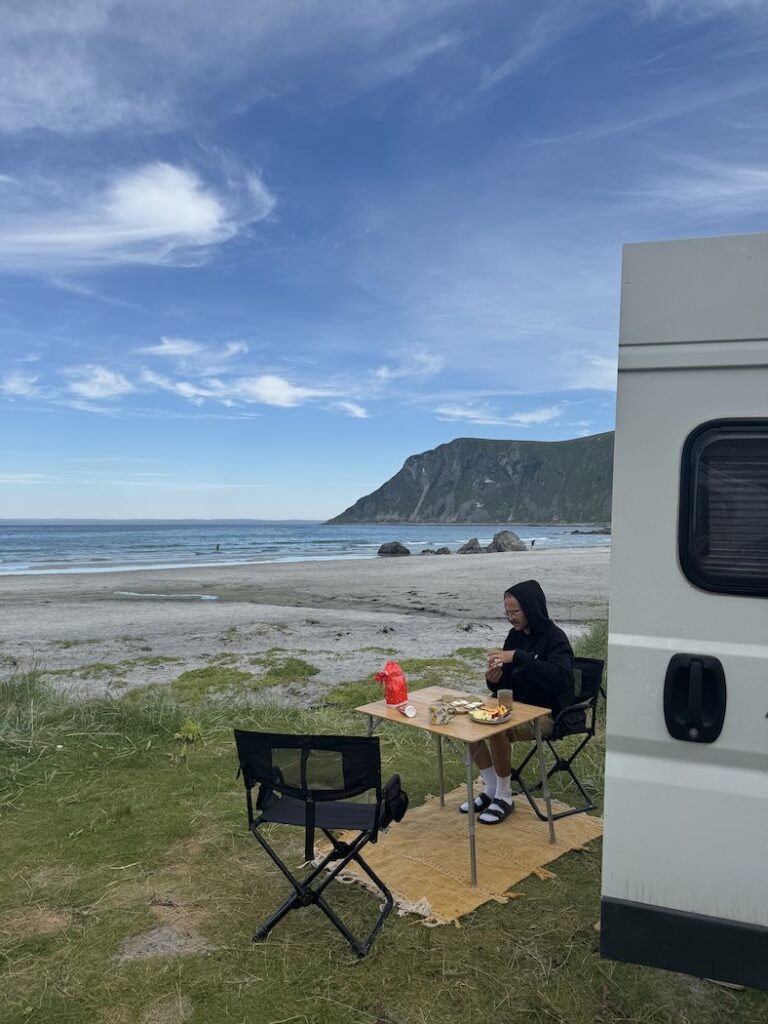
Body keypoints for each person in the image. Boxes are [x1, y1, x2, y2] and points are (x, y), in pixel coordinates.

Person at [460, 579, 574, 824]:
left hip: (546, 713)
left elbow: (561, 680)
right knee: (469, 721)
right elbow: (506, 684)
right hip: (515, 706)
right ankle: (491, 788)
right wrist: (495, 680)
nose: (510, 617)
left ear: (532, 608)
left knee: (497, 727)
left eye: (515, 612)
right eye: (507, 612)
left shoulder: (556, 638)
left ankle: (504, 796)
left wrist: (519, 657)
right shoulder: (514, 636)